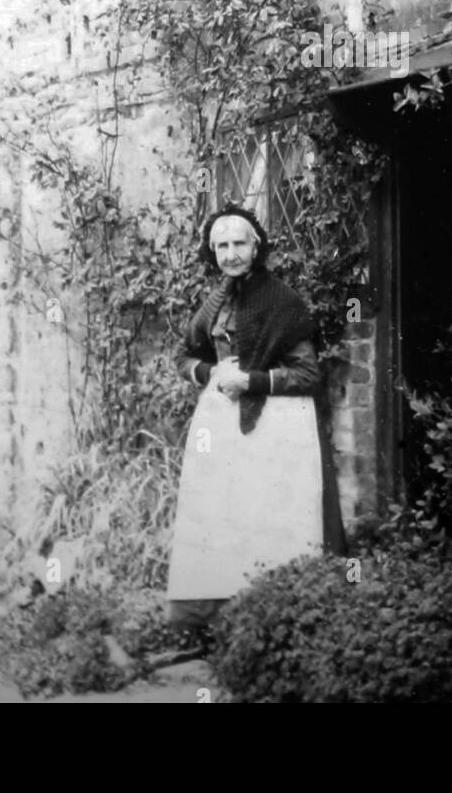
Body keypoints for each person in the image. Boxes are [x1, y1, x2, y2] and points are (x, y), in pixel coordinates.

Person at [166, 204, 345, 632]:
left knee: (268, 511)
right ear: (213, 252)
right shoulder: (215, 301)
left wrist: (252, 381)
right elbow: (184, 354)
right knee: (221, 512)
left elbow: (308, 374)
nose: (231, 254)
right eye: (222, 245)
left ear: (256, 246)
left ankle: (279, 616)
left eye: (239, 244)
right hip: (220, 420)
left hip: (277, 422)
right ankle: (218, 620)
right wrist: (212, 372)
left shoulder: (283, 299)